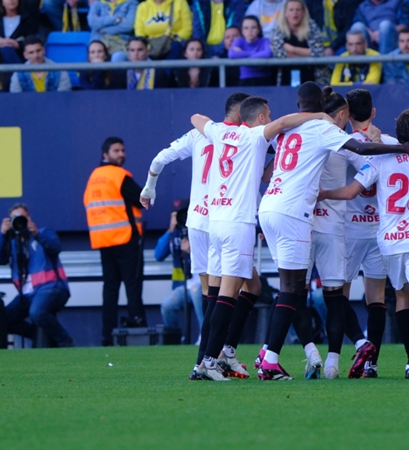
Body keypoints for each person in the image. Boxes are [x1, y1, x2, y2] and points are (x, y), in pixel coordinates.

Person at [256, 81, 409, 381]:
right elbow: (365, 156)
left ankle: (303, 353)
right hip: (314, 220)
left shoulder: (285, 131)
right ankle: (290, 358)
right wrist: (400, 148)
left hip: (272, 209)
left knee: (291, 291)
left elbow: (266, 172)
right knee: (326, 295)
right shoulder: (328, 130)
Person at [187, 97, 330, 381]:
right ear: (262, 117)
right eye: (269, 114)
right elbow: (284, 123)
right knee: (227, 296)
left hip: (214, 222)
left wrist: (214, 126)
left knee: (228, 292)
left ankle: (213, 358)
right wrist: (319, 116)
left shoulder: (220, 132)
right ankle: (208, 362)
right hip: (238, 223)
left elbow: (195, 117)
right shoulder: (254, 136)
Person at [319, 109, 409, 379]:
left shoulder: (382, 161)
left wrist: (324, 193)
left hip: (390, 241)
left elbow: (350, 192)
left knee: (400, 297)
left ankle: (393, 359)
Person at [140, 92, 251, 380]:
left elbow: (161, 157)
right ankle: (209, 360)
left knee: (212, 293)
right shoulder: (245, 136)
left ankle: (213, 358)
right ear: (242, 114)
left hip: (198, 221)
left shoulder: (199, 133)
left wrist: (149, 187)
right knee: (233, 291)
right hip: (223, 218)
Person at [307, 88, 377, 380]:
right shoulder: (342, 142)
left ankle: (309, 353)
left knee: (292, 294)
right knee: (334, 296)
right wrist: (343, 193)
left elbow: (268, 173)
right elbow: (370, 169)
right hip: (333, 225)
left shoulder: (300, 134)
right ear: (340, 115)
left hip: (300, 222)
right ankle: (334, 362)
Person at [342, 88, 394, 377]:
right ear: (373, 113)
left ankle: (344, 353)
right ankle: (371, 364)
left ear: (346, 114)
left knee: (338, 295)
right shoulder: (389, 142)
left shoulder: (341, 143)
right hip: (379, 229)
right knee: (377, 299)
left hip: (350, 229)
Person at [84, 137, 148, 347]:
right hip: (125, 239)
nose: (121, 154)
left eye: (122, 150)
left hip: (103, 241)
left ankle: (107, 336)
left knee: (110, 289)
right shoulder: (119, 175)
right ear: (106, 154)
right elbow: (141, 197)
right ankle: (137, 331)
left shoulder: (94, 177)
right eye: (116, 151)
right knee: (133, 285)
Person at [0, 203, 74, 348]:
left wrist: (37, 234)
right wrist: (2, 234)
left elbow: (56, 247)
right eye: (14, 219)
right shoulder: (11, 244)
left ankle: (65, 341)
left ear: (29, 218)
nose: (19, 222)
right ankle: (38, 335)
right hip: (27, 295)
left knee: (37, 312)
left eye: (22, 218)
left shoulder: (43, 232)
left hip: (52, 288)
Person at [156, 209, 205, 342]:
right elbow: (158, 255)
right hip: (183, 286)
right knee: (167, 305)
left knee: (196, 292)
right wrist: (170, 231)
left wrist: (192, 250)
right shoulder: (176, 233)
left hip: (203, 283)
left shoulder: (200, 229)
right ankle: (174, 338)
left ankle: (205, 336)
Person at [270, 0, 329, 86]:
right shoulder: (278, 28)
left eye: (298, 9)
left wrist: (291, 49)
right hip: (285, 76)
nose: (295, 13)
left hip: (312, 77)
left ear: (303, 12)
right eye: (291, 10)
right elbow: (278, 53)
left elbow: (319, 52)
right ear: (285, 12)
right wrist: (307, 54)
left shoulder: (312, 26)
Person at [0, 0, 37, 64]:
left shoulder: (27, 20)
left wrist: (17, 44)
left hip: (20, 56)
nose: (11, 0)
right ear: (1, 2)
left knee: (7, 50)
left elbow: (32, 41)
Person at [229, 15, 274, 86]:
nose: (250, 31)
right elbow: (231, 54)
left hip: (265, 80)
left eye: (253, 27)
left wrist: (243, 56)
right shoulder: (239, 41)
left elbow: (268, 53)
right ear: (242, 31)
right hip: (245, 80)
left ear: (259, 29)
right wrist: (257, 54)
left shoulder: (265, 41)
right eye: (246, 28)